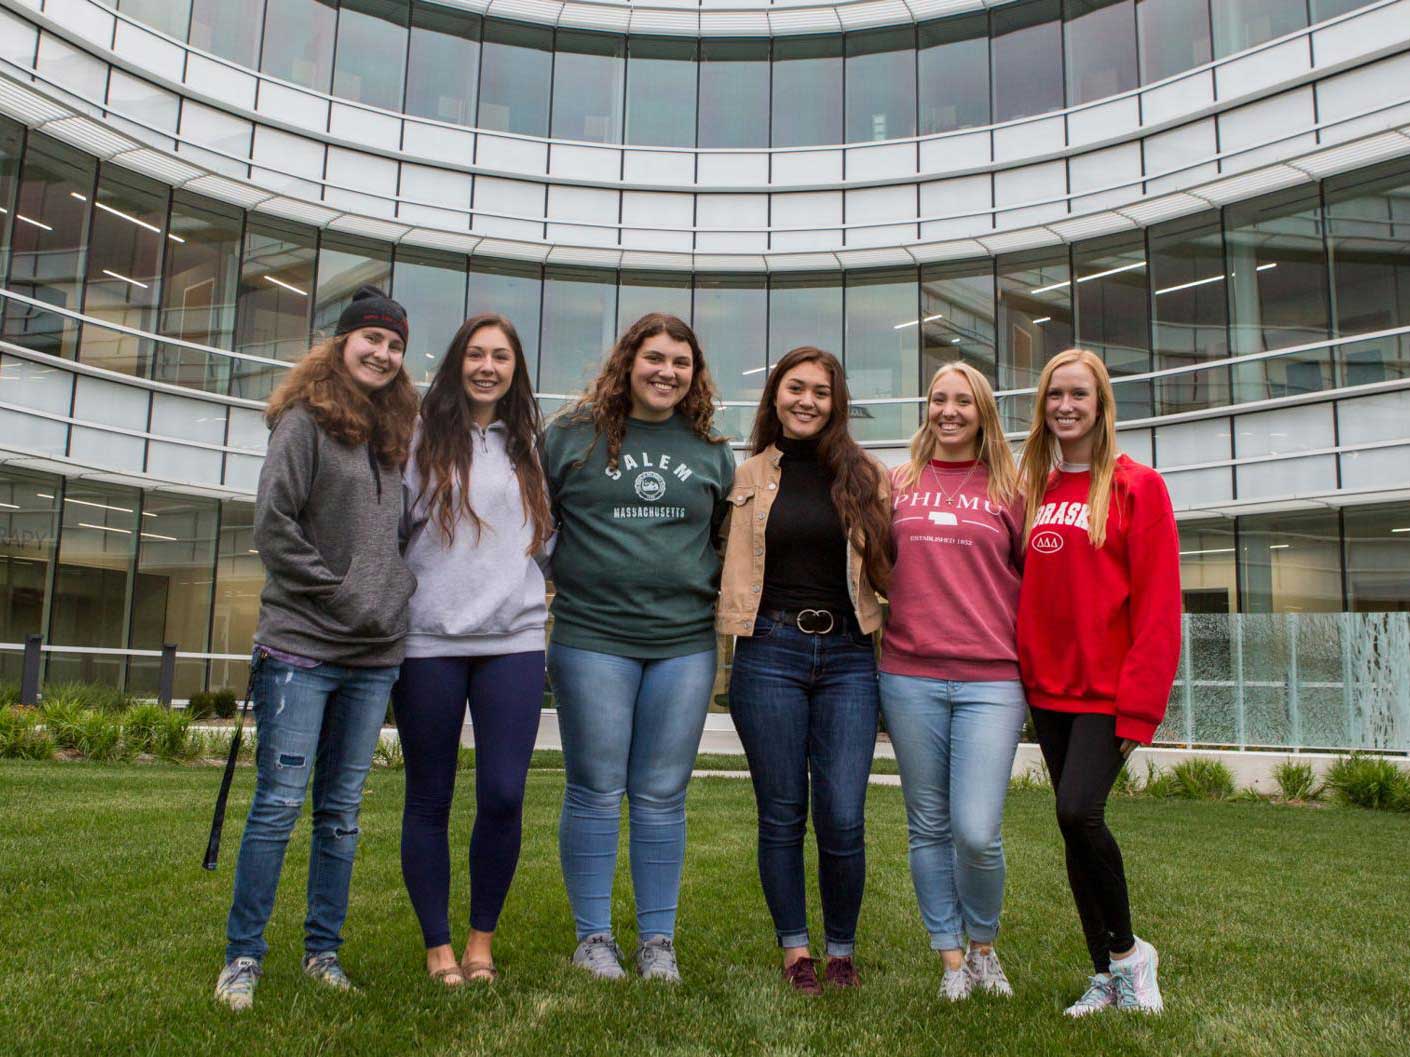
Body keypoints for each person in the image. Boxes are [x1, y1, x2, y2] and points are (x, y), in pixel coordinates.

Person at [215, 286, 419, 1011]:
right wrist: (345, 594)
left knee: (341, 810)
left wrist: (394, 593)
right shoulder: (302, 423)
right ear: (341, 344)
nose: (383, 353)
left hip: (373, 658)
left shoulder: (394, 437)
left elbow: (399, 540)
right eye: (371, 339)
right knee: (277, 803)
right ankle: (243, 957)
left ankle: (322, 952)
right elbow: (274, 528)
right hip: (301, 649)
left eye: (394, 345)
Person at [542, 312, 736, 984]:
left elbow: (721, 538)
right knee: (595, 789)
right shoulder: (569, 435)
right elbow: (533, 523)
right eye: (654, 358)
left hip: (682, 644)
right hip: (592, 637)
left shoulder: (711, 448)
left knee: (661, 794)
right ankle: (593, 938)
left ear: (694, 373)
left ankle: (658, 942)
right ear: (628, 362)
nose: (667, 372)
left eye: (680, 362)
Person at [718, 346, 891, 994]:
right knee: (783, 812)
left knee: (843, 813)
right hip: (769, 652)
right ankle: (796, 950)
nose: (807, 400)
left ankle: (841, 948)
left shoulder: (865, 474)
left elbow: (895, 565)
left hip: (848, 654)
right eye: (796, 387)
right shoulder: (745, 477)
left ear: (835, 401)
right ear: (775, 395)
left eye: (821, 390)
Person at [1016, 348, 1180, 1017]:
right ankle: (1105, 974)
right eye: (1055, 394)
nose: (1065, 406)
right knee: (1074, 829)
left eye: (1079, 394)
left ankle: (1129, 955)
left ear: (1101, 403)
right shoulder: (1037, 488)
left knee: (1077, 810)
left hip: (1107, 693)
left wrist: (1140, 709)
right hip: (1048, 692)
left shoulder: (1139, 486)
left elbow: (1160, 607)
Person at [394, 314, 553, 986]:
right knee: (429, 795)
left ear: (516, 369)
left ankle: (481, 940)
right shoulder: (417, 436)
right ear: (458, 360)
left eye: (502, 356)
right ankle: (438, 947)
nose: (488, 365)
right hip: (428, 641)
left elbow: (544, 540)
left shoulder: (527, 447)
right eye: (477, 353)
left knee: (503, 795)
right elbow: (394, 529)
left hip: (512, 642)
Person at [878, 361, 1027, 1002]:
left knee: (976, 829)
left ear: (983, 411)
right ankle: (950, 961)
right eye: (938, 399)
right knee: (927, 826)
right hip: (908, 673)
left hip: (992, 679)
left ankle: (985, 946)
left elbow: (1035, 581)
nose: (948, 411)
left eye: (963, 401)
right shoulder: (897, 483)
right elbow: (874, 568)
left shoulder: (1013, 488)